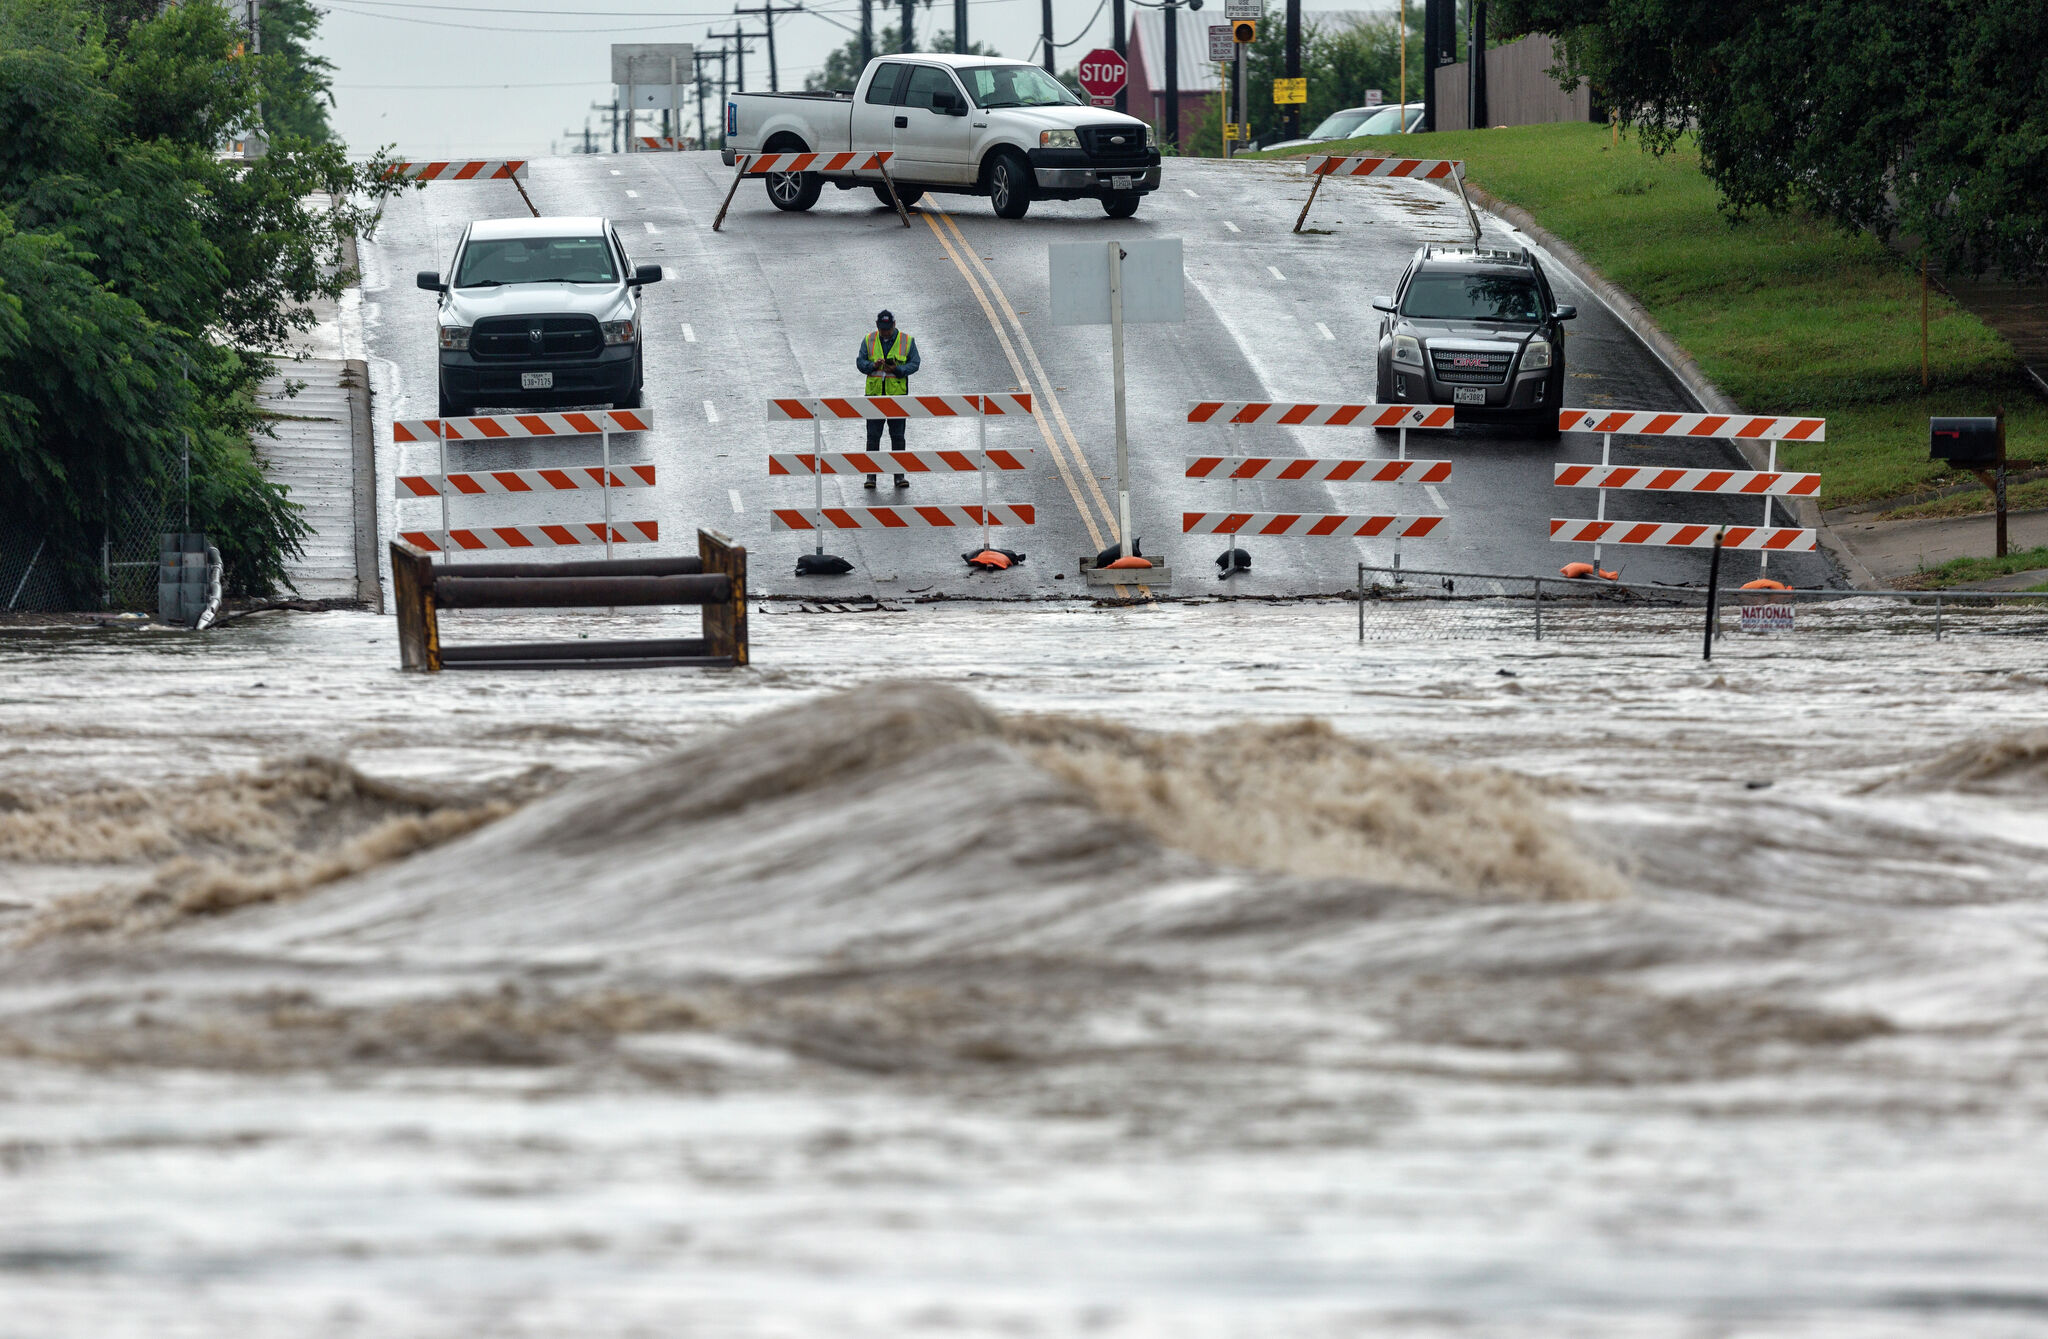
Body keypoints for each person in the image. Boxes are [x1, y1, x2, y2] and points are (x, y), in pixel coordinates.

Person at [855, 309, 920, 488]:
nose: (885, 332)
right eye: (883, 329)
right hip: (874, 397)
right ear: (877, 326)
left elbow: (915, 363)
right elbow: (860, 362)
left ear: (894, 325)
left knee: (898, 436)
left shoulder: (907, 341)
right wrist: (872, 365)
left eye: (888, 329)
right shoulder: (869, 340)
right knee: (873, 437)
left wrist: (897, 370)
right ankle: (871, 476)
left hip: (897, 397)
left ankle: (899, 476)